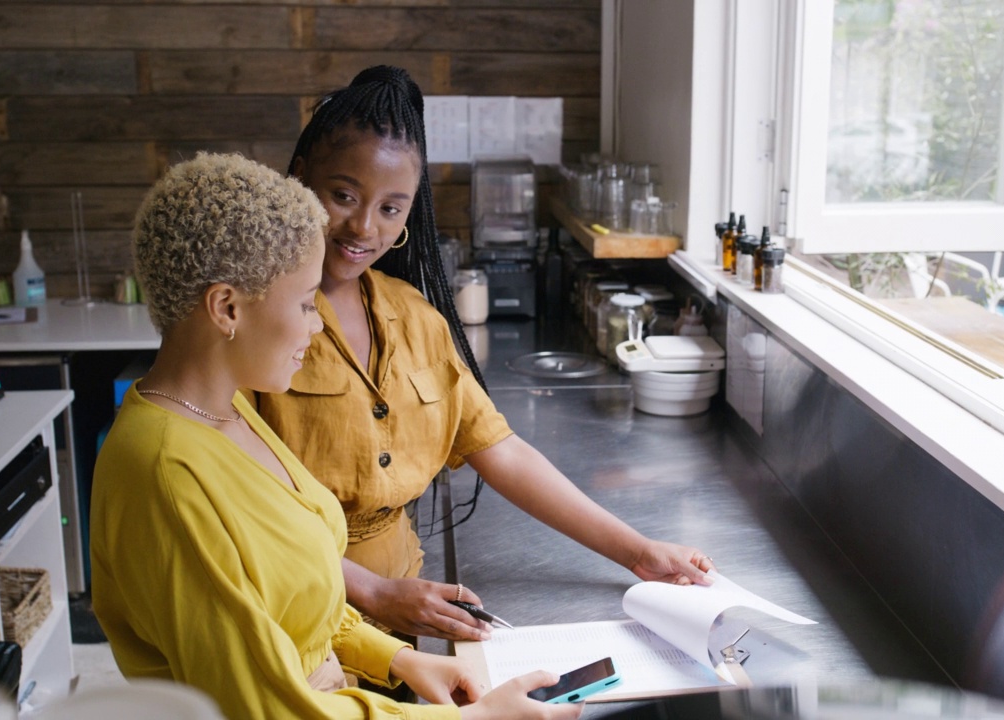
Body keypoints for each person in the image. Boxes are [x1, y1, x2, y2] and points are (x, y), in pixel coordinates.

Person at [90, 152, 581, 720]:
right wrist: (480, 719)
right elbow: (269, 707)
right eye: (304, 304)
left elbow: (296, 596)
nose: (318, 324)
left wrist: (397, 659)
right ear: (227, 307)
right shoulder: (164, 475)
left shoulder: (223, 415)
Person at [254, 65, 715, 643]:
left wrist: (638, 552)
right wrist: (370, 592)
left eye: (391, 208)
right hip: (290, 615)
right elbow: (236, 511)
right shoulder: (251, 318)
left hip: (403, 613)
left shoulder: (415, 317)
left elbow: (501, 452)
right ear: (300, 178)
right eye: (343, 195)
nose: (364, 226)